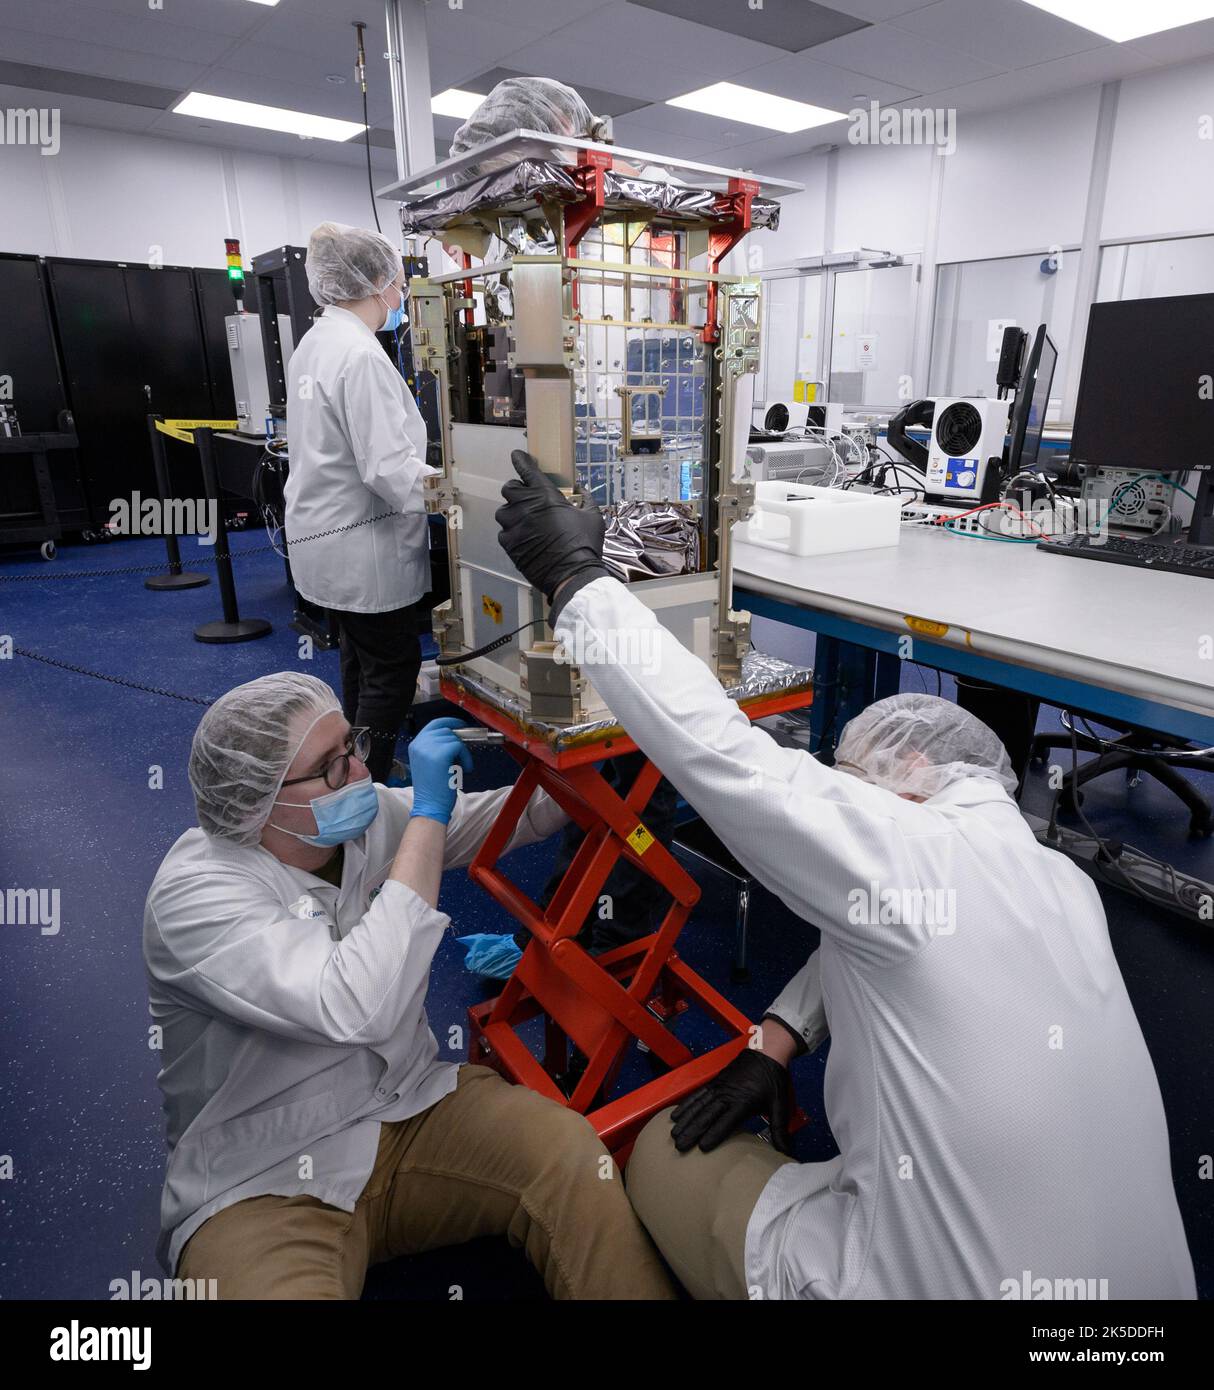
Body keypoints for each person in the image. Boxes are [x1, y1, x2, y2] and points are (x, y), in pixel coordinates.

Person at [493, 450, 1196, 1301]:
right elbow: (896, 931)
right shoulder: (1055, 883)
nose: (839, 795)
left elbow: (721, 755)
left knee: (664, 1167)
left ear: (903, 762)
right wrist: (782, 1037)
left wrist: (577, 581)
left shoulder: (901, 851)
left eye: (848, 775)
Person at [144, 671, 675, 1300]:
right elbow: (354, 1004)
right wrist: (426, 812)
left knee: (571, 1155)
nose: (361, 773)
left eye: (355, 746)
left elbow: (492, 820)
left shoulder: (348, 824)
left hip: (409, 1109)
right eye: (333, 766)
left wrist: (578, 764)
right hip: (264, 1178)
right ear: (258, 800)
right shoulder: (197, 896)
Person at [285, 222, 436, 783]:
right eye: (398, 281)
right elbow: (388, 469)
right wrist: (457, 489)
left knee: (358, 656)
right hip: (360, 546)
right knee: (393, 669)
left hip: (324, 541)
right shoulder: (360, 354)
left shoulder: (317, 342)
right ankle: (361, 784)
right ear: (376, 281)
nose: (400, 293)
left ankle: (346, 759)